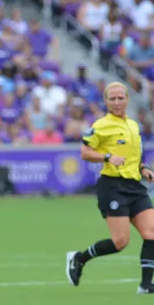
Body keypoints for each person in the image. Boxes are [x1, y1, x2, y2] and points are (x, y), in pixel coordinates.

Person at [66, 82, 154, 294]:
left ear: (127, 100)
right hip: (112, 186)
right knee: (120, 241)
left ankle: (145, 285)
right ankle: (79, 257)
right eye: (112, 99)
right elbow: (85, 152)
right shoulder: (101, 125)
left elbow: (132, 156)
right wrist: (106, 156)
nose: (116, 102)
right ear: (105, 102)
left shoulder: (133, 125)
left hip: (135, 186)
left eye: (120, 98)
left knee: (151, 233)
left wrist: (143, 168)